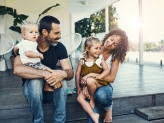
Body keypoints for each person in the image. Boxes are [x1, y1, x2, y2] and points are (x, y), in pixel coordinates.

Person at [14, 15, 74, 123]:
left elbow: (69, 72)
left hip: (51, 90)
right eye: (56, 33)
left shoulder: (59, 47)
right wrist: (44, 74)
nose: (59, 36)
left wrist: (61, 74)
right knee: (36, 81)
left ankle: (59, 121)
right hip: (32, 92)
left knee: (62, 80)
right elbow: (17, 69)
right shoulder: (27, 44)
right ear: (45, 32)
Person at [80, 29, 128, 123]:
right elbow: (83, 70)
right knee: (89, 97)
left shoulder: (114, 57)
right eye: (111, 39)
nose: (110, 43)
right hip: (89, 83)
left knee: (101, 95)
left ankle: (108, 108)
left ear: (117, 48)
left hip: (104, 84)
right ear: (108, 36)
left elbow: (111, 78)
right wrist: (85, 86)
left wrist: (92, 76)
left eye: (115, 44)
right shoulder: (94, 47)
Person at [76, 37, 110, 123]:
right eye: (96, 48)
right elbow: (78, 73)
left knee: (90, 80)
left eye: (100, 48)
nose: (99, 50)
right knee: (80, 98)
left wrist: (94, 77)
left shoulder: (100, 58)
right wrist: (78, 87)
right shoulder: (82, 58)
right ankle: (93, 114)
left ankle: (92, 99)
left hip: (99, 82)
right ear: (87, 49)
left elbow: (107, 70)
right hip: (87, 84)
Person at [14, 21, 54, 92]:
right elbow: (28, 53)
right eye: (31, 32)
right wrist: (39, 55)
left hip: (26, 64)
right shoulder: (31, 43)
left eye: (36, 32)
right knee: (48, 71)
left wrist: (16, 53)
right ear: (24, 35)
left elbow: (15, 48)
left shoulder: (23, 42)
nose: (34, 34)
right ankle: (46, 86)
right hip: (33, 64)